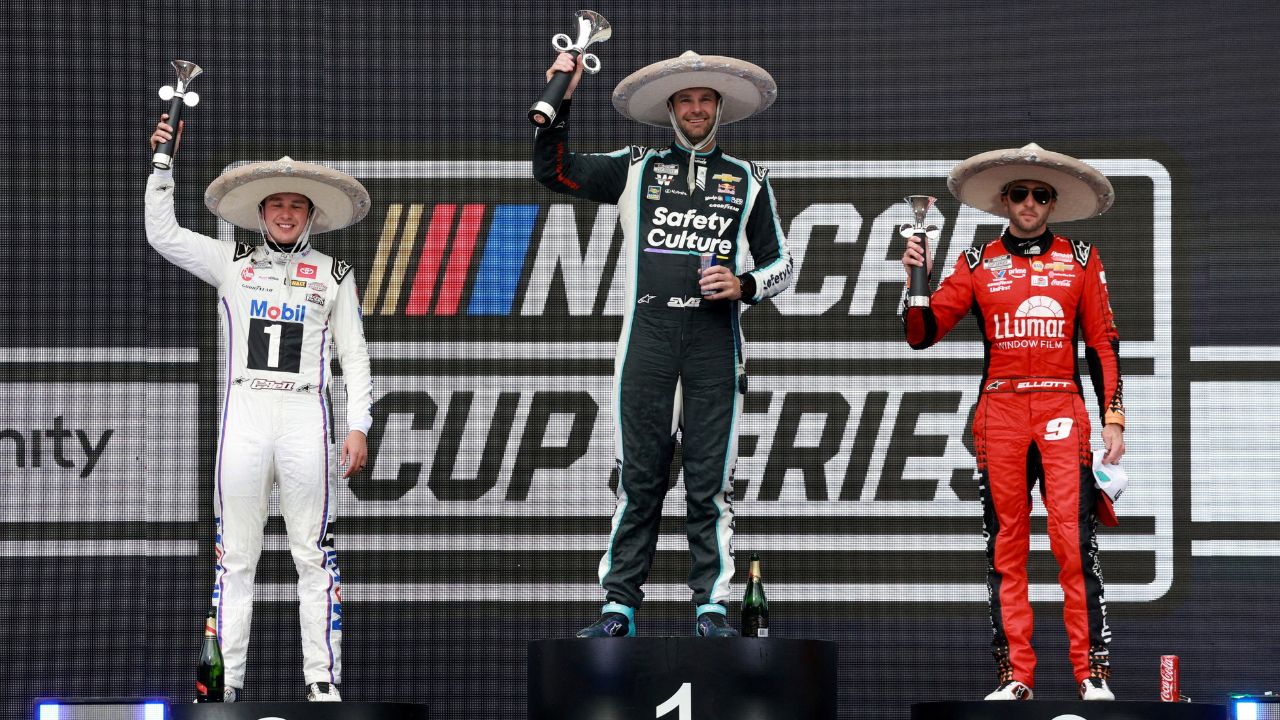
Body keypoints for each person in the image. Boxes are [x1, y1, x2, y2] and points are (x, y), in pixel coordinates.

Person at [534, 51, 793, 638]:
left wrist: (745, 283)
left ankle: (712, 608)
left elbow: (783, 263)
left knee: (710, 486)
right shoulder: (637, 167)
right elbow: (554, 172)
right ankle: (618, 607)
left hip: (713, 350)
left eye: (705, 99)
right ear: (670, 108)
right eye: (685, 100)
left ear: (718, 108)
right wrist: (562, 95)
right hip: (646, 348)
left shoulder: (749, 178)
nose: (696, 108)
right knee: (638, 483)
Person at [146, 116, 373, 702]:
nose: (287, 215)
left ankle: (322, 683)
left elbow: (354, 352)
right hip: (245, 412)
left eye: (298, 206)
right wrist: (162, 166)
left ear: (311, 215)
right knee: (234, 558)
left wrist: (358, 422)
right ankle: (221, 687)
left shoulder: (334, 273)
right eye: (277, 205)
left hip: (305, 415)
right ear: (262, 212)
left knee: (313, 555)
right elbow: (163, 234)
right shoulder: (231, 263)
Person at [902, 144, 1126, 701]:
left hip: (1061, 408)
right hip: (999, 412)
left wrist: (1113, 416)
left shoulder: (1081, 257)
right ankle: (1015, 676)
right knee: (1007, 547)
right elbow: (921, 334)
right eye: (1020, 193)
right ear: (1005, 200)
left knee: (1073, 544)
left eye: (1041, 195)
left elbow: (1102, 342)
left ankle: (1090, 673)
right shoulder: (977, 263)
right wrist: (915, 281)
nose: (1030, 203)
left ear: (1052, 204)